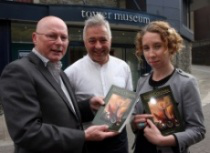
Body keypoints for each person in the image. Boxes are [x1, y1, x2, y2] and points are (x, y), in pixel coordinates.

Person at [0, 16, 117, 153]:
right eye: (52, 36)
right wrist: (83, 136)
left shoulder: (59, 71)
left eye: (64, 37)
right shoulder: (18, 71)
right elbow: (27, 131)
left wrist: (88, 105)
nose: (59, 42)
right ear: (34, 38)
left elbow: (61, 113)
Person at [131, 21, 206, 153]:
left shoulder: (186, 83)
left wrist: (164, 140)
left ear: (170, 47)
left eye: (157, 46)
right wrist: (136, 123)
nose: (151, 54)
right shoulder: (142, 81)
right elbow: (138, 121)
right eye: (146, 48)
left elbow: (198, 130)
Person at [65, 14, 133, 153]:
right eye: (92, 41)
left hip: (118, 142)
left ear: (110, 40)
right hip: (88, 145)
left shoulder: (123, 67)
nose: (98, 46)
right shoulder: (71, 73)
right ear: (84, 42)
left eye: (103, 40)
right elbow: (66, 112)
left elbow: (129, 100)